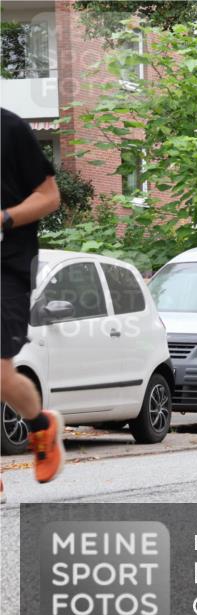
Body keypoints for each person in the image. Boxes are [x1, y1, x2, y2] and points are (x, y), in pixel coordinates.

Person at [1, 108, 66, 500]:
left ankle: (40, 424)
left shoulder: (9, 128)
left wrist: (5, 218)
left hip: (6, 266)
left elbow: (50, 196)